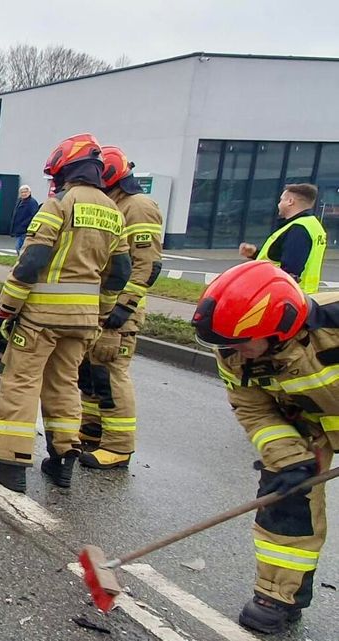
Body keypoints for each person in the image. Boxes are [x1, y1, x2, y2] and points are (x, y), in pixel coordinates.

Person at [0, 133, 131, 492]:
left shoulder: (59, 204)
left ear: (66, 170)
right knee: (64, 384)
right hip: (83, 321)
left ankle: (10, 464)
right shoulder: (113, 212)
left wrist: (8, 307)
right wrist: (101, 311)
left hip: (41, 318)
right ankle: (62, 460)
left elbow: (32, 262)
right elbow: (120, 272)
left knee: (21, 382)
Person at [191, 261, 338, 634]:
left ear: (279, 328)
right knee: (285, 498)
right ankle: (278, 595)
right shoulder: (234, 351)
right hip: (305, 423)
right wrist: (289, 461)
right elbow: (253, 410)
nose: (234, 352)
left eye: (241, 342)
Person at [77, 147, 164, 469]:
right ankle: (93, 428)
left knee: (111, 374)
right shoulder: (114, 203)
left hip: (120, 311)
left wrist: (123, 309)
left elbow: (147, 265)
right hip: (102, 305)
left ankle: (118, 446)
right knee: (92, 371)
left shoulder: (138, 207)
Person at [238, 184, 326, 293]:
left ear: (290, 201)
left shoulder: (298, 229)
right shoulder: (313, 224)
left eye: (281, 200)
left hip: (287, 296)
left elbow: (290, 270)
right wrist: (255, 254)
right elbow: (283, 258)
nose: (278, 204)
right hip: (305, 293)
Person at [10, 185, 40, 253]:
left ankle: (22, 259)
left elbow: (34, 215)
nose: (23, 194)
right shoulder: (19, 201)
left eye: (25, 192)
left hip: (25, 230)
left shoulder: (32, 202)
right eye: (22, 192)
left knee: (19, 247)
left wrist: (25, 224)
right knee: (19, 247)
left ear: (29, 192)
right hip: (18, 229)